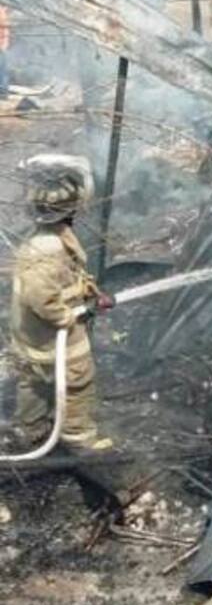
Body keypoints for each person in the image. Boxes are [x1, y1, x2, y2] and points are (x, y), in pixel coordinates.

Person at [9, 155, 114, 452]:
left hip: (34, 336)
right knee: (77, 381)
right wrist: (68, 316)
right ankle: (78, 439)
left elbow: (69, 276)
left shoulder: (47, 236)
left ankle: (30, 428)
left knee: (35, 381)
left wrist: (92, 293)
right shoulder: (47, 248)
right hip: (53, 336)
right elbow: (41, 297)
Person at [0, 3, 9, 97]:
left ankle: (2, 92)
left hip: (0, 46)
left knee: (1, 70)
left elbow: (4, 30)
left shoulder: (1, 11)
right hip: (2, 45)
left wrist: (3, 45)